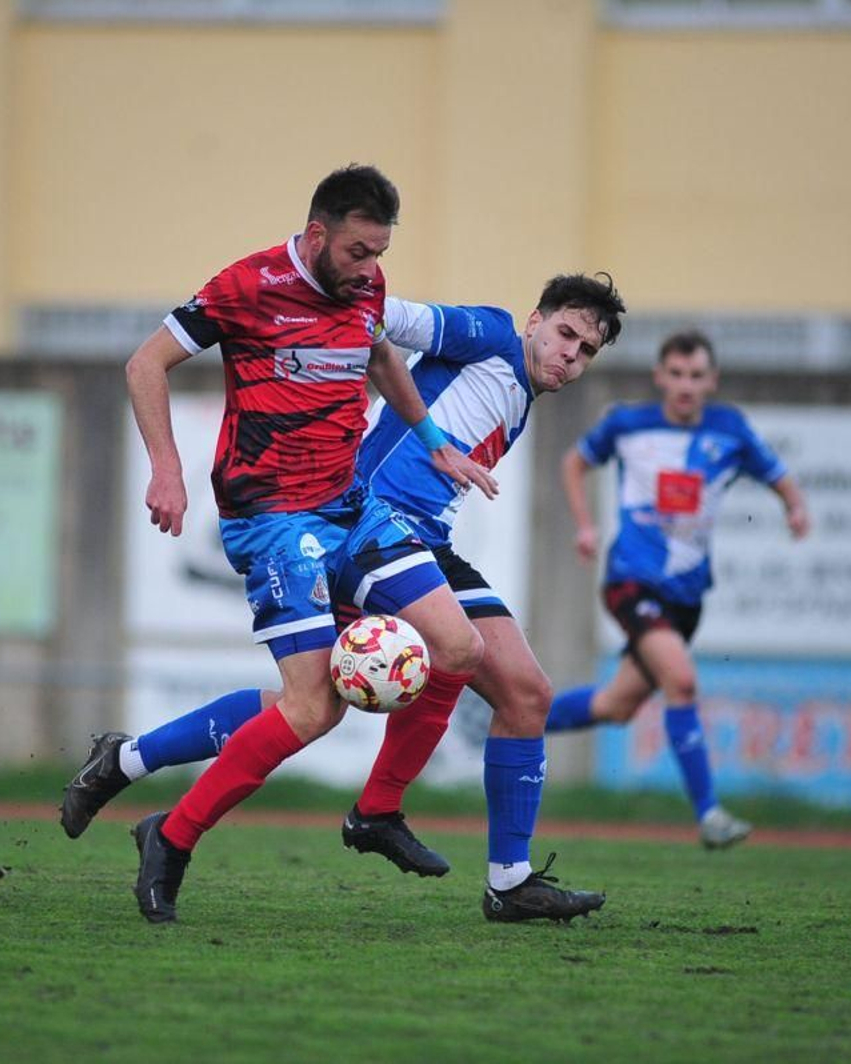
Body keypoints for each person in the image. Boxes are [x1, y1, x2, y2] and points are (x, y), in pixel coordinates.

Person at [62, 274, 625, 923]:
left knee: (522, 694)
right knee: (342, 693)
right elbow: (386, 317)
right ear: (535, 320)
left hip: (422, 543)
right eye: (564, 334)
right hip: (362, 526)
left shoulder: (521, 392)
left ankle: (509, 880)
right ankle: (371, 810)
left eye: (586, 351)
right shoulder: (493, 334)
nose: (570, 355)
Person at [106, 164, 497, 924]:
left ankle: (377, 812)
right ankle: (172, 837)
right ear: (317, 235)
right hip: (272, 520)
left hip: (351, 505)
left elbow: (382, 356)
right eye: (356, 251)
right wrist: (165, 470)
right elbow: (144, 362)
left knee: (460, 648)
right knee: (313, 708)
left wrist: (435, 440)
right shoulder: (246, 286)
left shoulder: (367, 290)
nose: (369, 270)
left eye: (379, 253)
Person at [546, 329, 810, 849]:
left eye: (696, 375)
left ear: (711, 380)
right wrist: (584, 525)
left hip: (687, 599)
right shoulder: (628, 424)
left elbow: (778, 476)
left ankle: (513, 717)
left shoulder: (729, 430)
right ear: (660, 377)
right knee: (682, 683)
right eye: (677, 374)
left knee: (615, 706)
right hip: (631, 582)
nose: (686, 385)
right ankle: (709, 814)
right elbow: (574, 462)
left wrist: (794, 507)